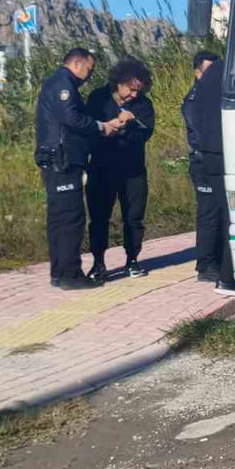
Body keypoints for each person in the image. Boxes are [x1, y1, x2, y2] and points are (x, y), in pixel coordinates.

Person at [34, 48, 128, 290]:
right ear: (77, 64)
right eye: (89, 68)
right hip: (63, 159)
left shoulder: (59, 83)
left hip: (58, 158)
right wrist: (101, 127)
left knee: (59, 219)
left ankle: (60, 272)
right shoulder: (63, 85)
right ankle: (70, 274)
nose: (90, 74)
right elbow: (71, 118)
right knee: (70, 218)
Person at [185, 51, 235, 298]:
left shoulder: (215, 72)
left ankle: (231, 273)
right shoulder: (232, 69)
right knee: (231, 215)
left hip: (213, 152)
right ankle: (230, 277)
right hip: (223, 152)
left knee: (228, 214)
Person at [85, 58, 156, 281]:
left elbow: (145, 134)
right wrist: (116, 122)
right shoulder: (98, 98)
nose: (134, 95)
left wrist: (131, 125)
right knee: (99, 217)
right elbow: (88, 129)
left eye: (139, 90)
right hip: (102, 167)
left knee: (134, 217)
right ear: (119, 83)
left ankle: (132, 260)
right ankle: (98, 263)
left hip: (133, 169)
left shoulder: (144, 105)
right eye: (131, 89)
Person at [182, 51, 222, 282]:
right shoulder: (195, 98)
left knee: (220, 211)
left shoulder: (212, 95)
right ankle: (206, 265)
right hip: (203, 161)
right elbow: (198, 132)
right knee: (208, 214)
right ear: (198, 73)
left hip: (215, 160)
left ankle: (218, 260)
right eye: (209, 71)